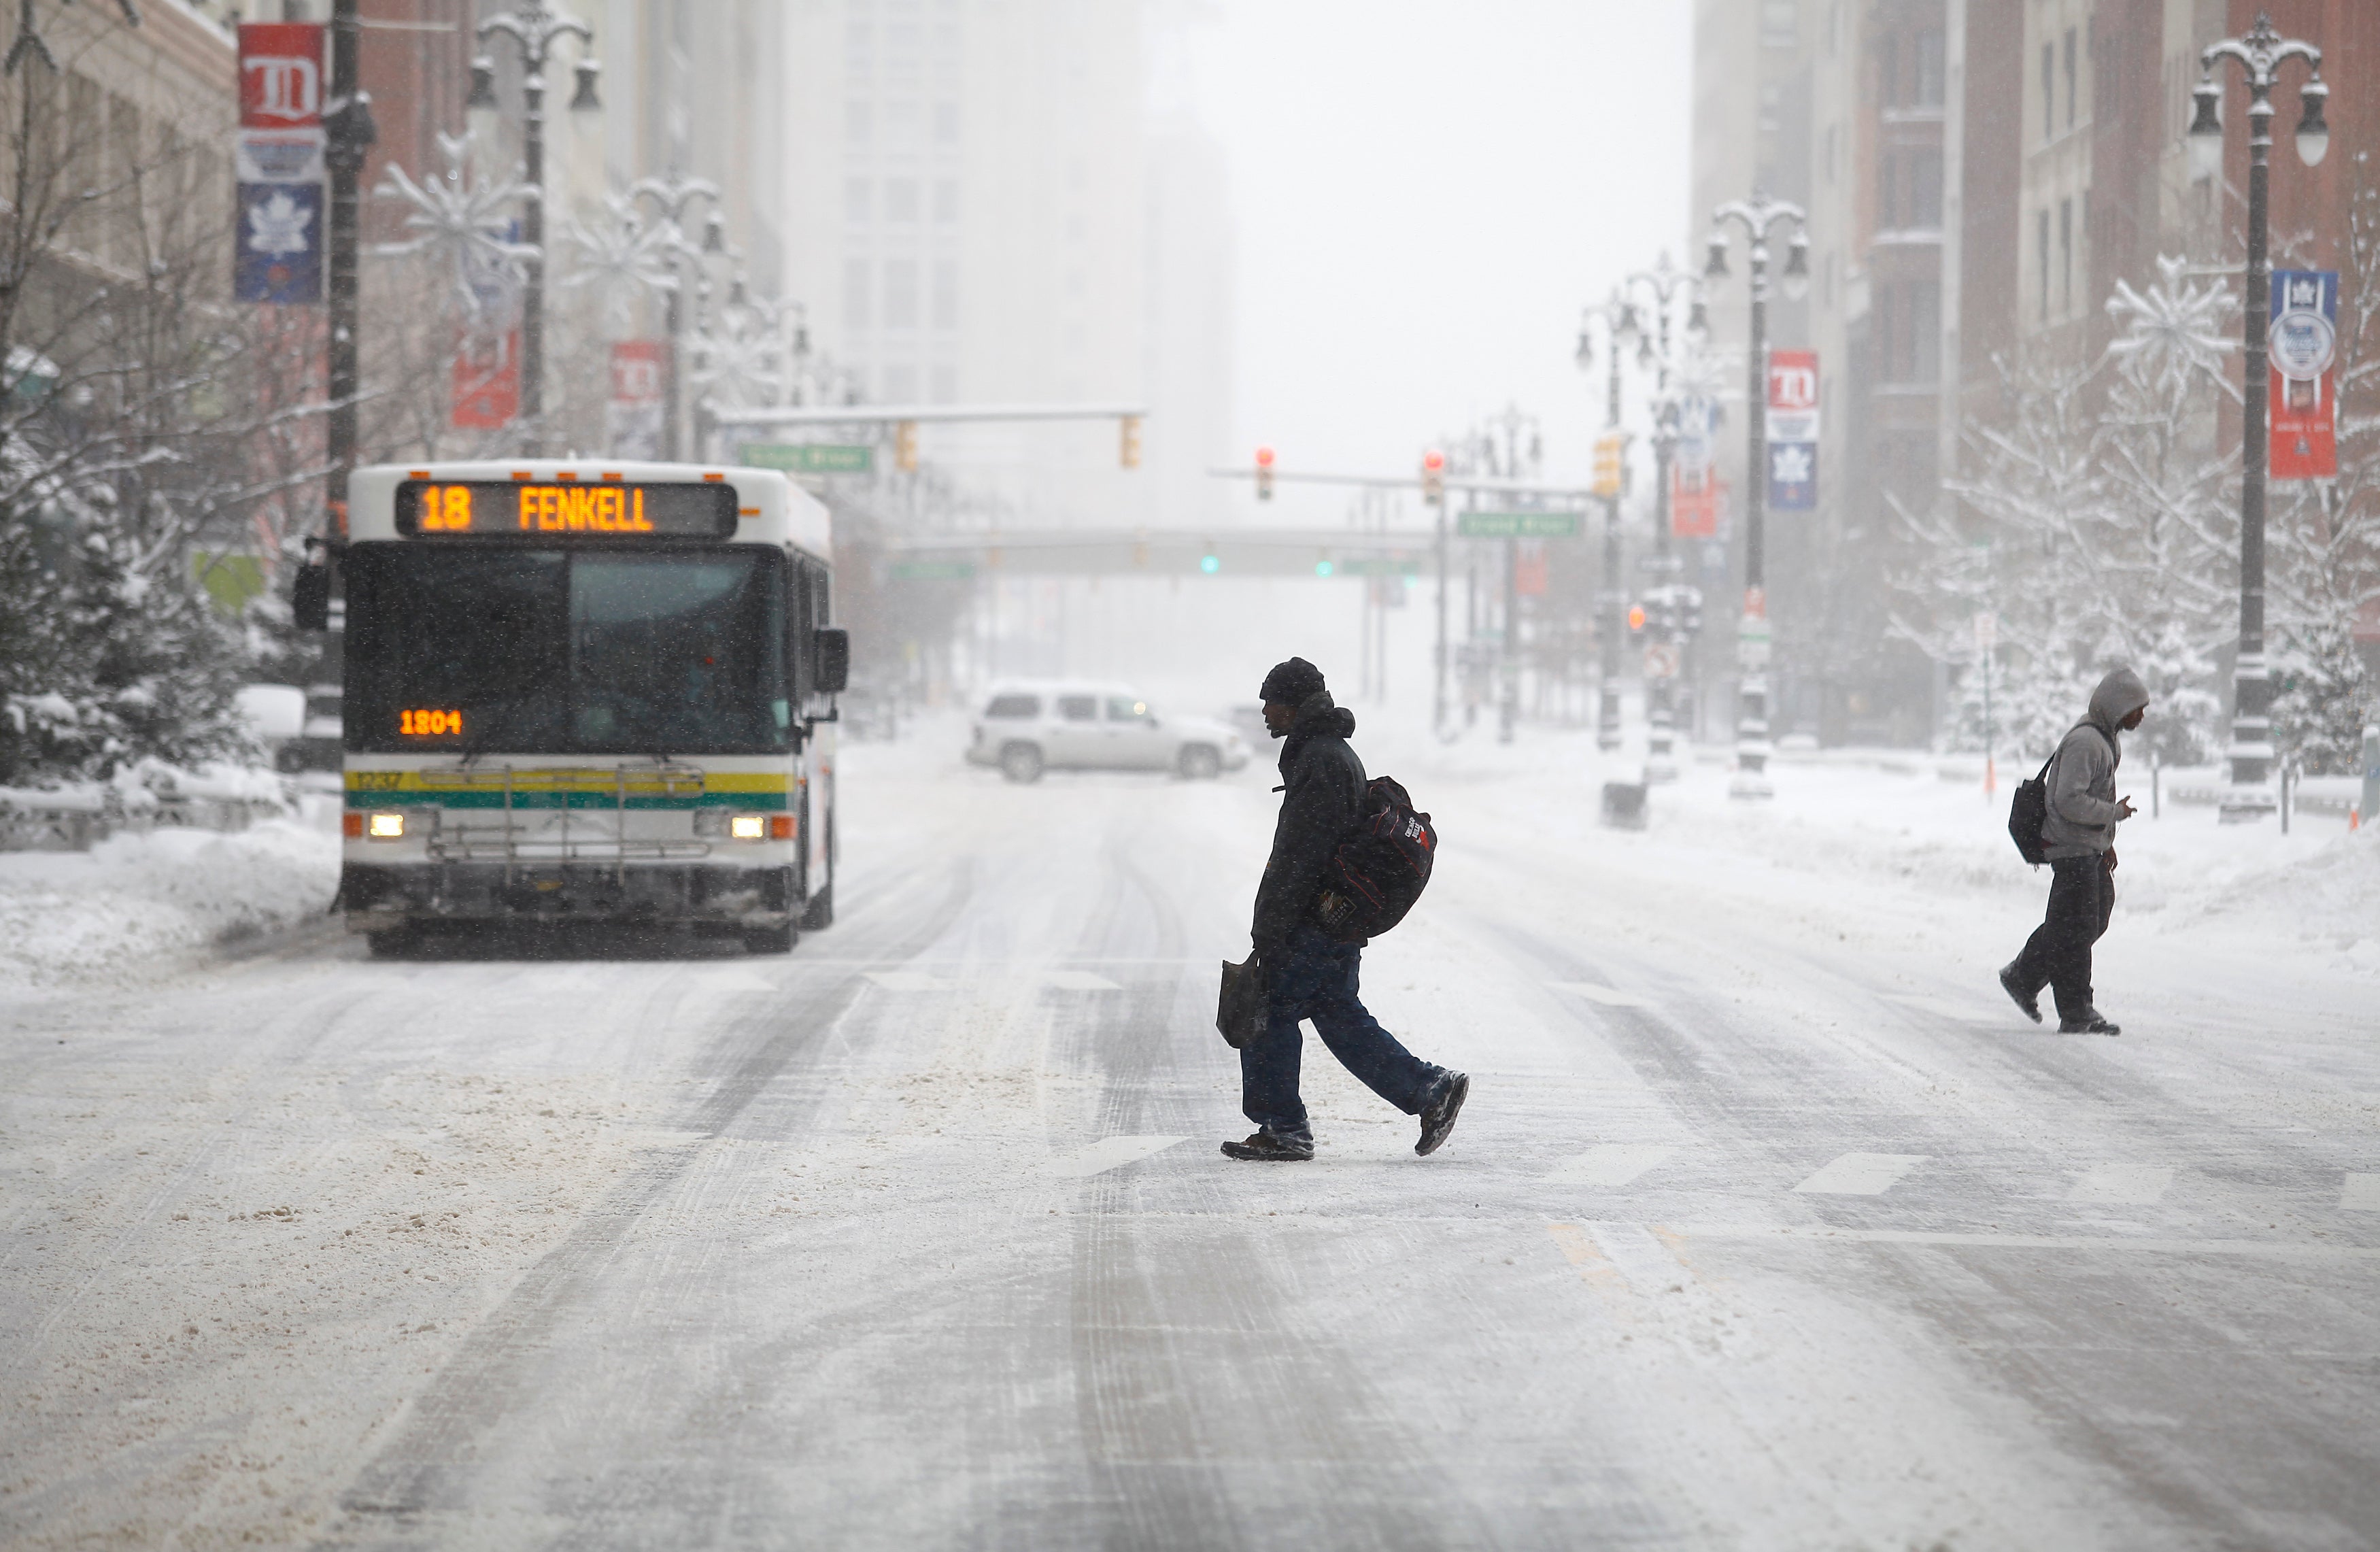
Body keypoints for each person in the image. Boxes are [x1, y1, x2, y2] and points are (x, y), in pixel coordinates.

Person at [1224, 657, 1468, 1162]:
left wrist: (1270, 927)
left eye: (1273, 701)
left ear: (1295, 706)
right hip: (1332, 918)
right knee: (1338, 1015)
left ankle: (1283, 1128)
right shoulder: (1326, 754)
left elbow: (1301, 853)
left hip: (1314, 919)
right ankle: (1428, 1091)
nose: (1265, 711)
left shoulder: (1322, 760)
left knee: (1269, 1009)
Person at [2001, 667, 2151, 1036]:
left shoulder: (2104, 741)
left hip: (2088, 847)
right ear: (2118, 707)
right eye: (2137, 708)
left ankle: (2024, 975)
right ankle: (2076, 1010)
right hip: (2071, 848)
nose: (2142, 716)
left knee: (2087, 922)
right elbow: (2068, 800)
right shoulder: (2087, 743)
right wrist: (2113, 815)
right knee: (2075, 929)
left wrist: (2107, 841)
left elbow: (2090, 796)